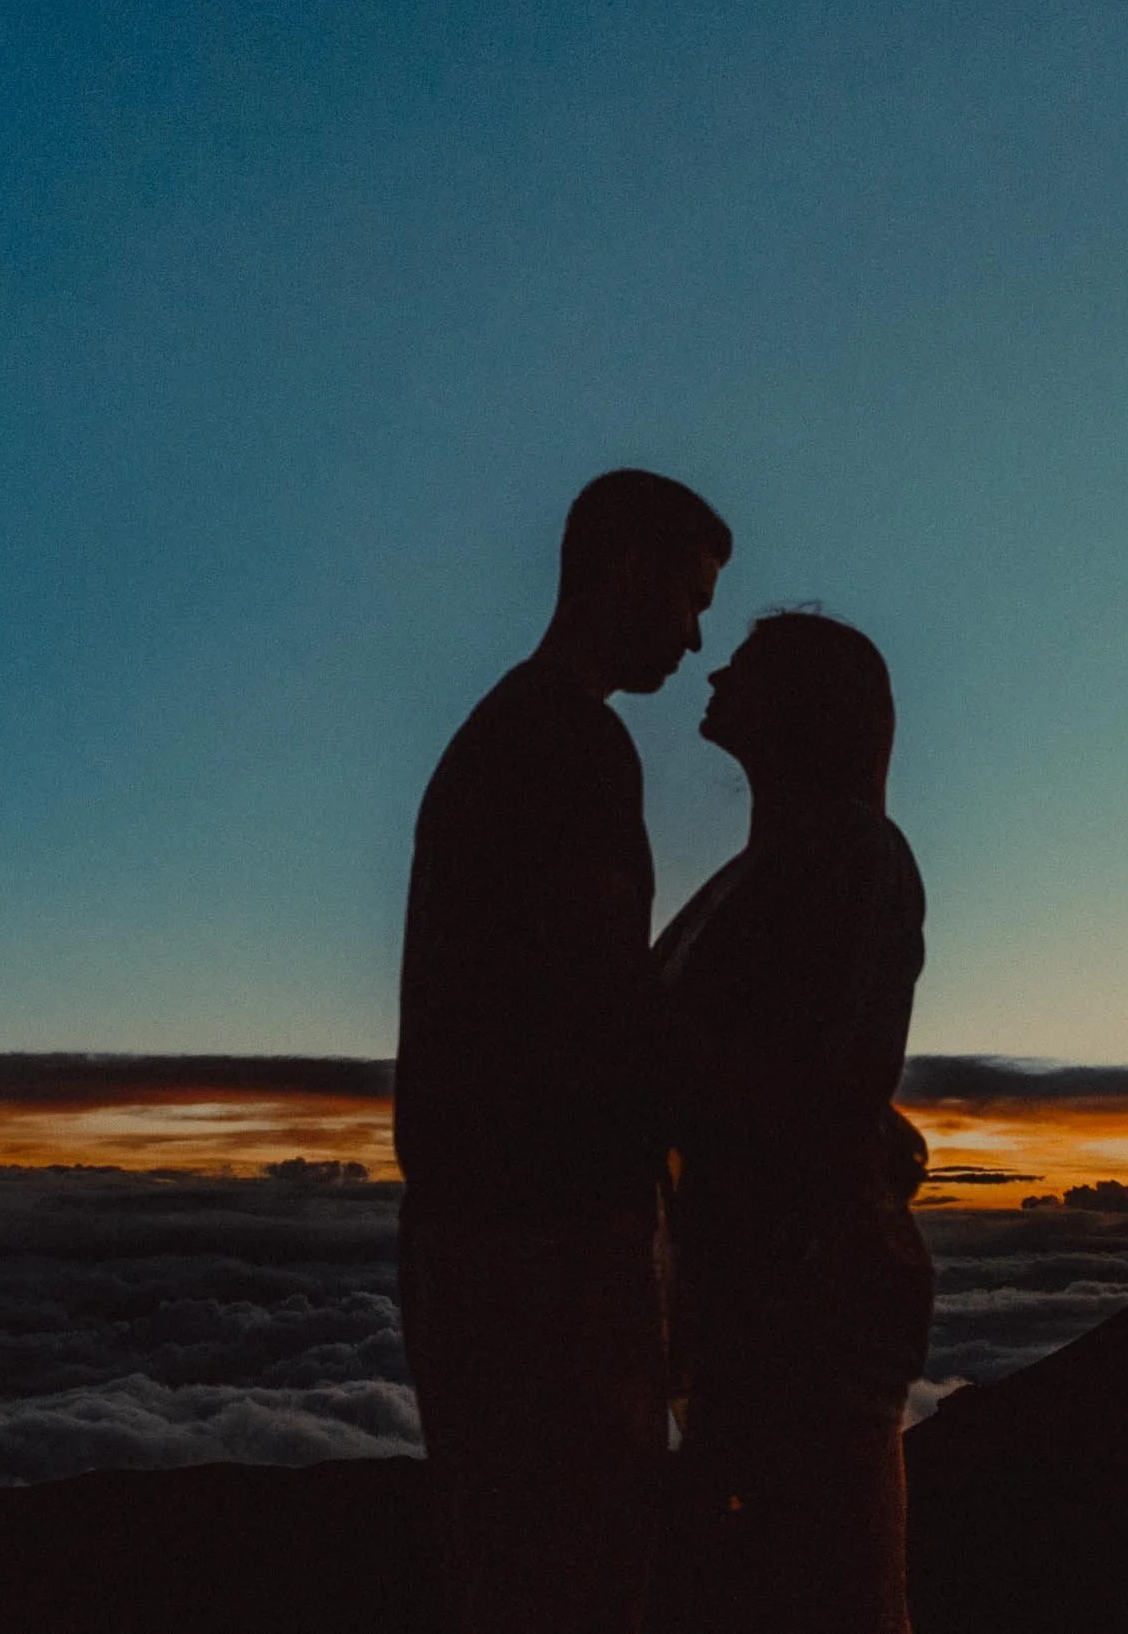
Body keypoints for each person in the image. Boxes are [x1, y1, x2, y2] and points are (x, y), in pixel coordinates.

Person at [394, 469, 732, 1634]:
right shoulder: (569, 741)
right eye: (689, 600)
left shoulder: (500, 731)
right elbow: (596, 1000)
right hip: (543, 1250)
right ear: (624, 570)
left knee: (505, 1569)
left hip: (473, 1237)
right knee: (574, 1570)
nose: (698, 638)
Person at [652, 610, 934, 1634]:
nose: (716, 670)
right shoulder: (782, 864)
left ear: (812, 706)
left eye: (752, 666)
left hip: (804, 1317)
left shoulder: (847, 853)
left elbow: (804, 1088)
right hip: (764, 1311)